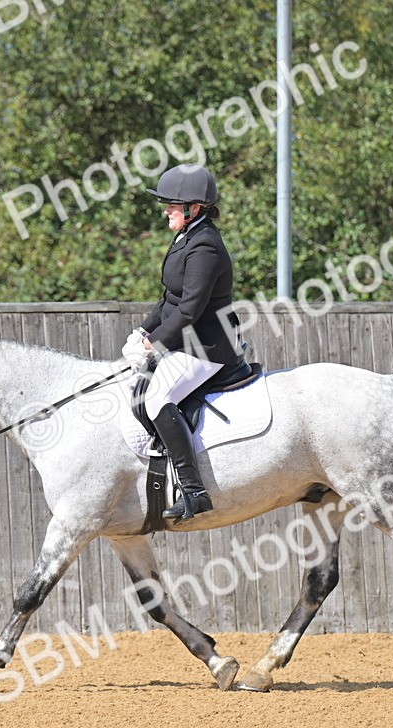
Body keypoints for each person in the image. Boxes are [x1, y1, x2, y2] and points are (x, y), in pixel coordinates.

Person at [122, 164, 242, 520]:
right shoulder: (186, 238)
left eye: (172, 205)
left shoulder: (205, 246)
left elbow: (190, 309)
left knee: (158, 396)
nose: (166, 210)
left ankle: (194, 491)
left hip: (208, 346)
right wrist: (144, 330)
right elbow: (169, 298)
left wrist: (154, 344)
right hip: (186, 342)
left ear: (194, 207)